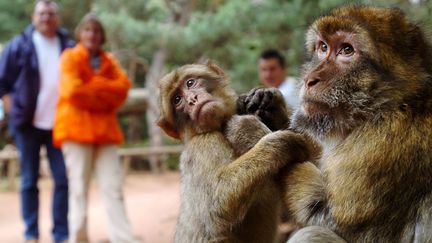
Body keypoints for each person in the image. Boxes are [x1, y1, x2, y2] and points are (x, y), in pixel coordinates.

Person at [53, 13, 138, 243]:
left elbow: (123, 89)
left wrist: (94, 87)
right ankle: (78, 238)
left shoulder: (110, 61)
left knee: (113, 187)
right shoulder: (69, 58)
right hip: (76, 132)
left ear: (102, 36)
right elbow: (73, 92)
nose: (92, 34)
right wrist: (104, 91)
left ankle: (123, 238)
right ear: (81, 33)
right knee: (78, 188)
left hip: (105, 133)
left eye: (97, 30)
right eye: (88, 30)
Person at [0, 1, 74, 242]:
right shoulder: (18, 45)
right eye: (42, 13)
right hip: (27, 125)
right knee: (29, 181)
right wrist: (12, 111)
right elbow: (3, 82)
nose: (46, 17)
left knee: (62, 180)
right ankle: (31, 232)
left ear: (57, 18)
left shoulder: (68, 45)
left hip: (60, 125)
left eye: (51, 13)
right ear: (34, 16)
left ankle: (60, 234)